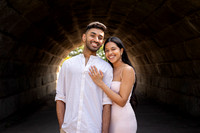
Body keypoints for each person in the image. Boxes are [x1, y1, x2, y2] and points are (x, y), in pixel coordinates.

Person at [55, 22, 113, 133]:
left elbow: (106, 104)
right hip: (69, 129)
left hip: (93, 128)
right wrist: (62, 127)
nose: (96, 39)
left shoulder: (106, 67)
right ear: (84, 37)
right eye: (93, 35)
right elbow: (60, 97)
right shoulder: (68, 64)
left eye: (100, 37)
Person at [89, 36, 137, 133]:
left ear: (121, 51)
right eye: (106, 50)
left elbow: (122, 101)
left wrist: (101, 84)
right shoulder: (109, 70)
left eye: (113, 49)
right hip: (108, 120)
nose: (110, 53)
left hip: (123, 121)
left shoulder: (127, 70)